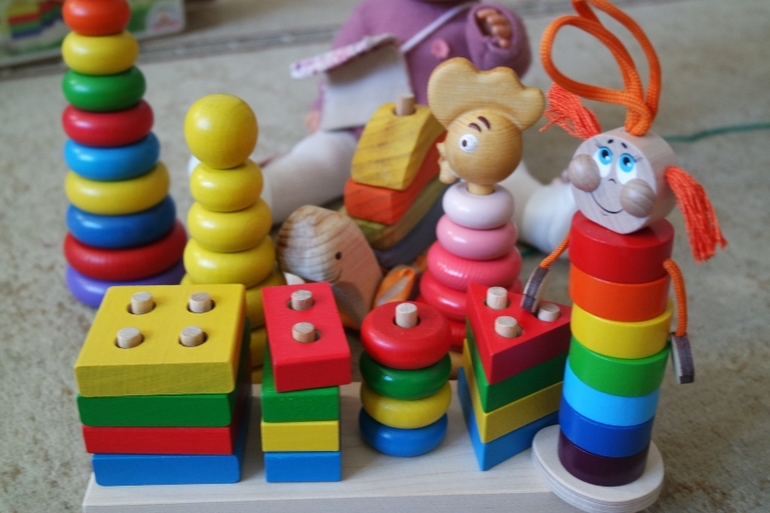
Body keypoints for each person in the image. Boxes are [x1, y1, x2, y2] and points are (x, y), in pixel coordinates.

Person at [263, 0, 576, 253]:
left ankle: (542, 217)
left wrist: (501, 42)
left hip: (456, 145)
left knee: (495, 172)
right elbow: (343, 61)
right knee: (318, 159)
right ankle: (265, 193)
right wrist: (324, 105)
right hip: (366, 130)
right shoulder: (375, 8)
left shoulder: (478, 18)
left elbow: (503, 76)